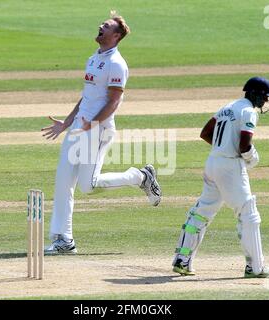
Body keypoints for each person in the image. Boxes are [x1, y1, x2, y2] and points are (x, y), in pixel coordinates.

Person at [41, 12, 162, 255]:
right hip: (79, 128)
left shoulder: (117, 63)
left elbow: (114, 101)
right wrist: (67, 122)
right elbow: (88, 97)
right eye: (102, 24)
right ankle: (64, 240)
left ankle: (140, 177)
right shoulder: (93, 58)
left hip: (98, 130)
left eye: (106, 26)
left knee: (88, 185)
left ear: (116, 36)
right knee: (63, 182)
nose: (100, 27)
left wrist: (92, 124)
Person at [172, 77, 269, 278]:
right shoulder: (248, 111)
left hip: (213, 162)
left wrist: (222, 147)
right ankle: (256, 267)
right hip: (230, 166)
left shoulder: (228, 107)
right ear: (255, 94)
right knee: (248, 213)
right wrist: (250, 156)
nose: (265, 102)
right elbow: (244, 145)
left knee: (201, 211)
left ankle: (182, 260)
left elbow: (205, 133)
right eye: (265, 97)